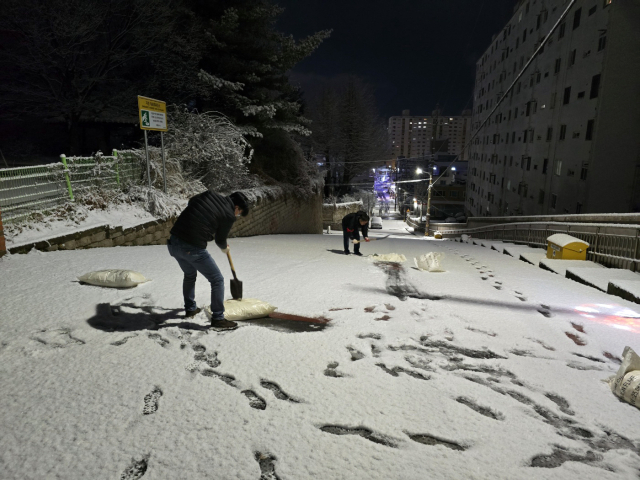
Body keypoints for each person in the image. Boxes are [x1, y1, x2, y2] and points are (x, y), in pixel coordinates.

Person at [167, 190, 249, 329]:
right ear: (236, 207)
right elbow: (220, 239)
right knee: (217, 280)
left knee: (189, 274)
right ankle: (218, 319)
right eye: (239, 213)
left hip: (173, 243)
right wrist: (224, 248)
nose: (237, 215)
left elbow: (192, 201)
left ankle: (190, 308)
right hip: (192, 247)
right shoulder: (229, 215)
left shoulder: (209, 194)